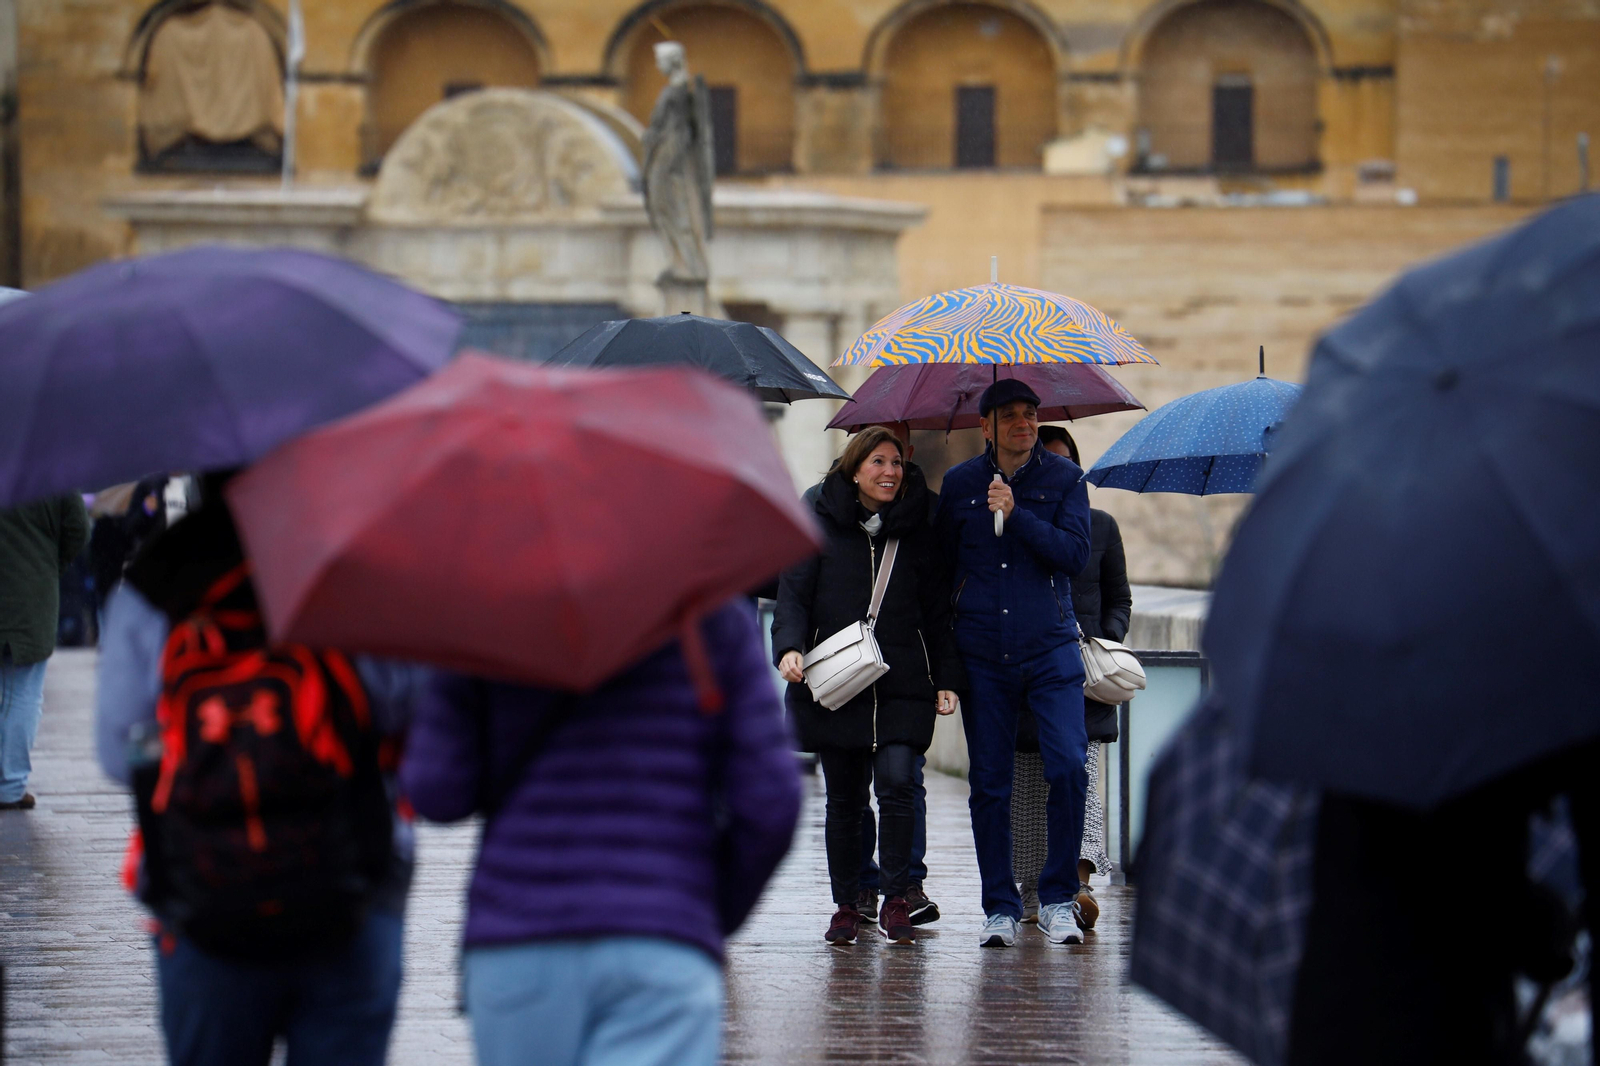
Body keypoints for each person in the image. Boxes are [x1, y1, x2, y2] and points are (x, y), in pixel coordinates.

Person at [96, 474, 418, 1066]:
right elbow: (410, 710)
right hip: (352, 884)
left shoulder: (154, 582)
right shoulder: (355, 564)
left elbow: (120, 753)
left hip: (201, 891)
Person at [402, 599, 799, 1066]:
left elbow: (436, 792)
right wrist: (706, 910)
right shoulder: (713, 619)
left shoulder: (485, 617)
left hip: (518, 934)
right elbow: (772, 800)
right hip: (661, 940)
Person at [772, 426, 964, 945]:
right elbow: (794, 593)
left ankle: (897, 897)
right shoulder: (817, 519)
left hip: (904, 680)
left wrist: (947, 677)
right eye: (877, 461)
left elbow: (937, 611)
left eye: (896, 463)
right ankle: (848, 902)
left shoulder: (920, 524)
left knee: (898, 784)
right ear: (854, 469)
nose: (889, 472)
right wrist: (788, 647)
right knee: (845, 800)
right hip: (838, 684)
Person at [935, 379, 1092, 948]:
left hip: (1050, 647)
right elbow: (942, 572)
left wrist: (1017, 513)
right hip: (983, 653)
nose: (1024, 424)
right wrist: (946, 667)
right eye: (1010, 416)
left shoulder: (1066, 479)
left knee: (1069, 764)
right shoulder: (960, 485)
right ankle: (999, 907)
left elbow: (1075, 555)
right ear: (987, 427)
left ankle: (1057, 899)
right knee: (989, 783)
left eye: (1030, 414)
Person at [1010, 426, 1131, 928]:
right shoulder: (1010, 527)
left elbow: (1119, 598)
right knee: (1027, 786)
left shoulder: (1100, 527)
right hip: (1026, 675)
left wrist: (1105, 640)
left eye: (1064, 465)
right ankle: (1032, 889)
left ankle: (1078, 884)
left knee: (1080, 775)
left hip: (1085, 679)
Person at [0, 492, 90, 810]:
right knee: (22, 693)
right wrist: (51, 565)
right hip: (31, 594)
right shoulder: (50, 468)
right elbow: (78, 529)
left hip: (27, 591)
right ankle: (9, 786)